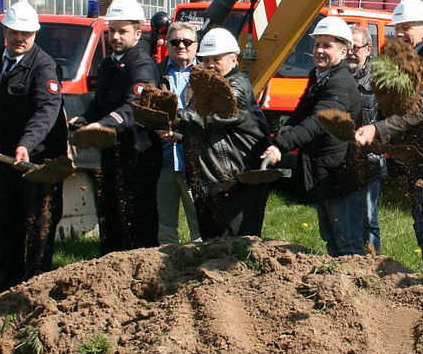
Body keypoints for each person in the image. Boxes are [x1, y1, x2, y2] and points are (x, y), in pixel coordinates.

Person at [354, 0, 423, 282]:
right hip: (415, 156)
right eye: (397, 27)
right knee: (422, 226)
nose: (399, 33)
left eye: (407, 27)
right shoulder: (406, 61)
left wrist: (377, 129)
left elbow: (416, 113)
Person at [0, 1, 67, 292]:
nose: (20, 39)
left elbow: (46, 111)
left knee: (39, 223)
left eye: (26, 33)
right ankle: (5, 285)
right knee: (6, 219)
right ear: (5, 31)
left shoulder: (43, 65)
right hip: (6, 155)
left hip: (39, 159)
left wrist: (26, 144)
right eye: (15, 32)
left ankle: (34, 287)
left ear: (35, 34)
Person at [263, 17, 371, 256]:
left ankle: (356, 290)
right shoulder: (320, 75)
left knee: (348, 244)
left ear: (344, 51)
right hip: (325, 170)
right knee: (331, 238)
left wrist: (281, 145)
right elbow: (304, 110)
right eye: (317, 44)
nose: (319, 51)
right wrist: (286, 129)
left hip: (340, 173)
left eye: (327, 45)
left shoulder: (340, 83)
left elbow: (318, 121)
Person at [69, 0, 161, 254]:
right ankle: (110, 265)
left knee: (137, 220)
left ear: (137, 32)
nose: (116, 37)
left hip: (138, 154)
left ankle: (138, 269)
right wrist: (86, 118)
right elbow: (101, 102)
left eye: (123, 31)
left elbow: (134, 106)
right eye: (112, 31)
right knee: (111, 215)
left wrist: (104, 124)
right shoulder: (108, 63)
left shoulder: (141, 65)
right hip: (112, 151)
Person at [176, 28, 271, 239]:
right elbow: (195, 118)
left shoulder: (236, 87)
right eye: (206, 60)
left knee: (234, 246)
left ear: (233, 59)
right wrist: (177, 129)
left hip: (236, 180)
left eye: (216, 60)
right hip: (212, 180)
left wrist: (177, 117)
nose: (210, 65)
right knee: (212, 243)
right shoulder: (207, 86)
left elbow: (216, 114)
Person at [154, 22, 201, 245]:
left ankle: (201, 266)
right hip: (164, 162)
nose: (181, 46)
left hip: (193, 161)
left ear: (196, 46)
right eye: (175, 42)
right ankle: (167, 267)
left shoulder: (206, 76)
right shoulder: (156, 74)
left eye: (187, 42)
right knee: (165, 224)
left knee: (198, 223)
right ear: (168, 46)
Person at [348, 24, 386, 254]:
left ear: (368, 49)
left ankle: (372, 261)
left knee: (369, 218)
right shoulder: (339, 77)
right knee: (346, 214)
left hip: (370, 158)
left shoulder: (379, 79)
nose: (351, 52)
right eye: (347, 46)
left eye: (356, 47)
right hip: (342, 158)